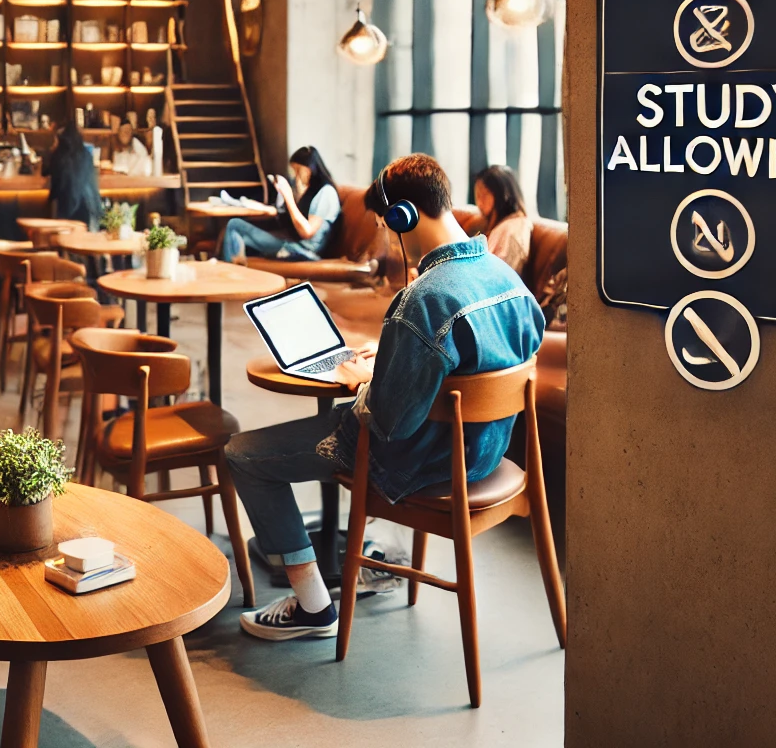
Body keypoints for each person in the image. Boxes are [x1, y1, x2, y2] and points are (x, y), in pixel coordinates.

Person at [224, 153, 545, 641]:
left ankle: (314, 608)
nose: (384, 234)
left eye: (384, 224)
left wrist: (362, 380)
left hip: (422, 461)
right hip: (485, 454)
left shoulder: (423, 300)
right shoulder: (509, 281)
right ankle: (368, 557)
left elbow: (389, 422)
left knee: (242, 454)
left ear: (403, 217)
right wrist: (395, 360)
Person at [218, 146, 341, 263]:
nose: (295, 176)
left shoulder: (326, 193)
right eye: (294, 171)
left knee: (235, 226)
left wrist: (288, 196)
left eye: (298, 170)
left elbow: (307, 232)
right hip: (291, 242)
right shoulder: (310, 190)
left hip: (303, 250)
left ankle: (230, 275)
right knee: (236, 231)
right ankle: (231, 270)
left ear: (310, 169)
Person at [473, 164, 532, 274]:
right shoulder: (497, 225)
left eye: (484, 195)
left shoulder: (512, 230)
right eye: (477, 196)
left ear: (503, 194)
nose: (479, 202)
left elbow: (496, 276)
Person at [44, 122, 101, 228]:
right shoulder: (86, 154)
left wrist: (51, 150)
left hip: (67, 210)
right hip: (89, 207)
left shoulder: (59, 155)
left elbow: (45, 172)